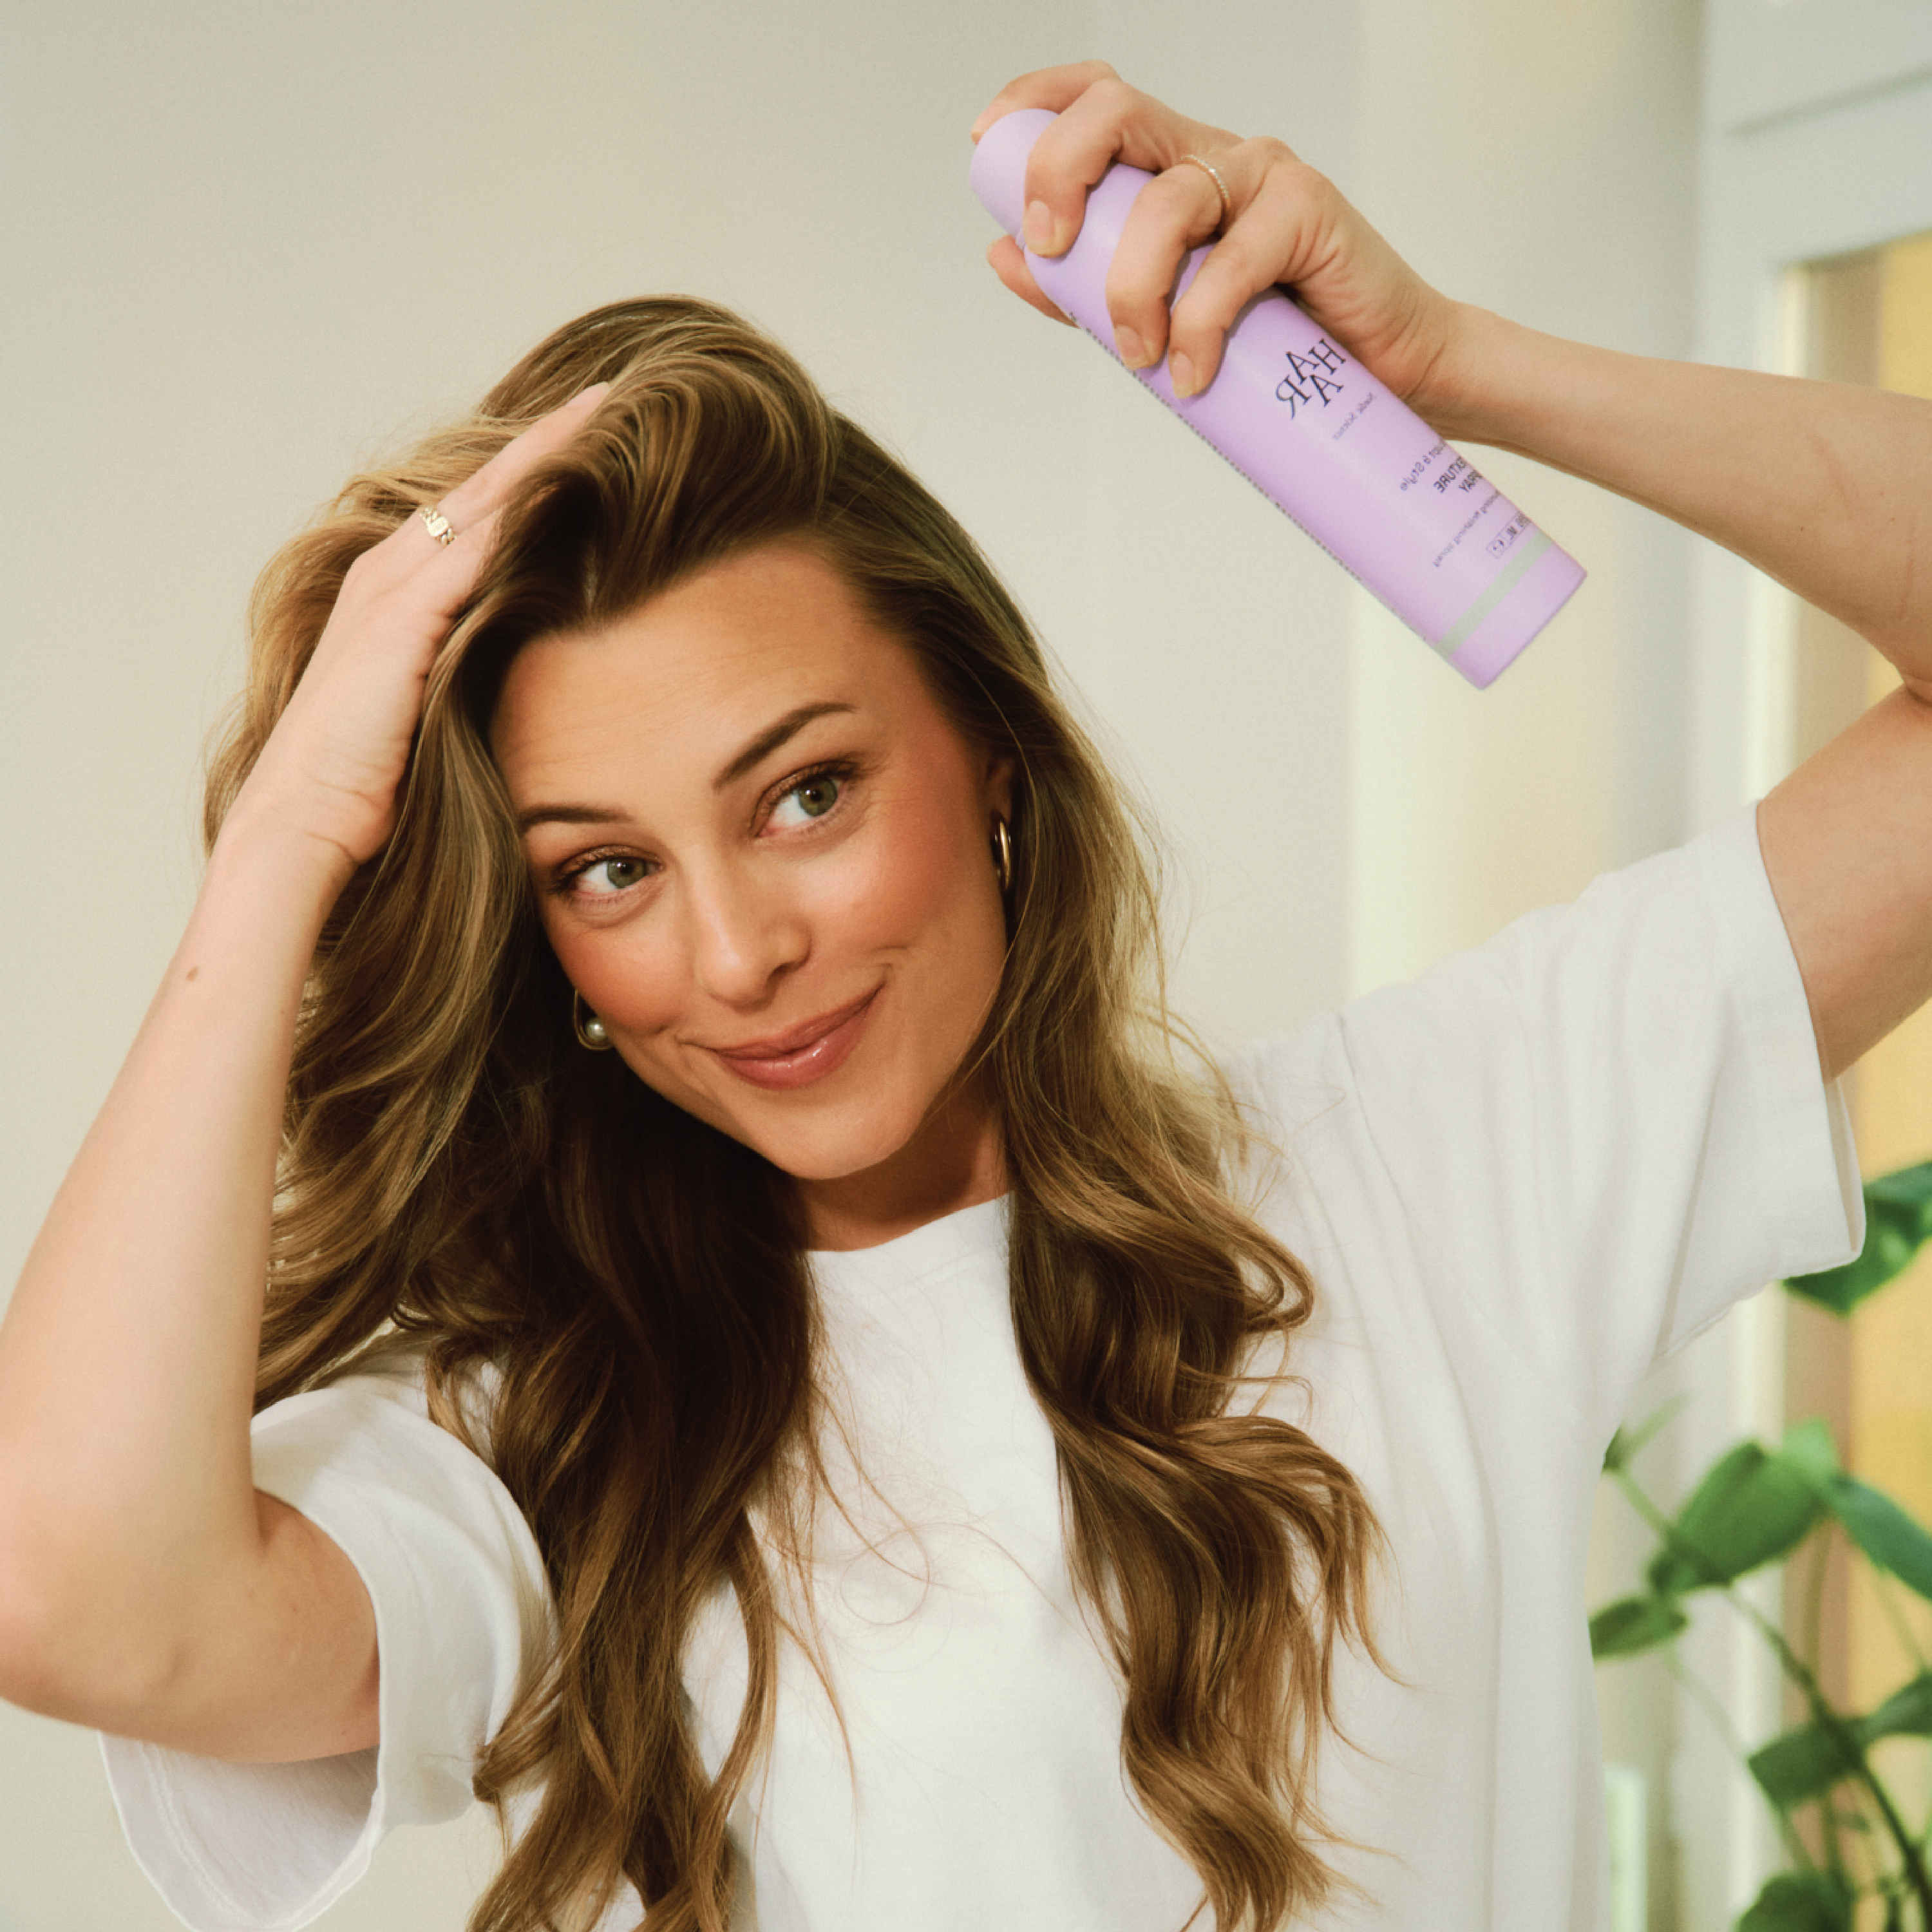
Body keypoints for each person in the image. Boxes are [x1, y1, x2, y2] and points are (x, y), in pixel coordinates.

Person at [0, 57, 1925, 1932]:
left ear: (989, 753)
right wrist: (287, 841)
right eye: (607, 870)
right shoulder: (547, 1441)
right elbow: (66, 1597)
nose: (737, 955)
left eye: (807, 794)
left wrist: (1444, 369)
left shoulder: (1426, 1167)